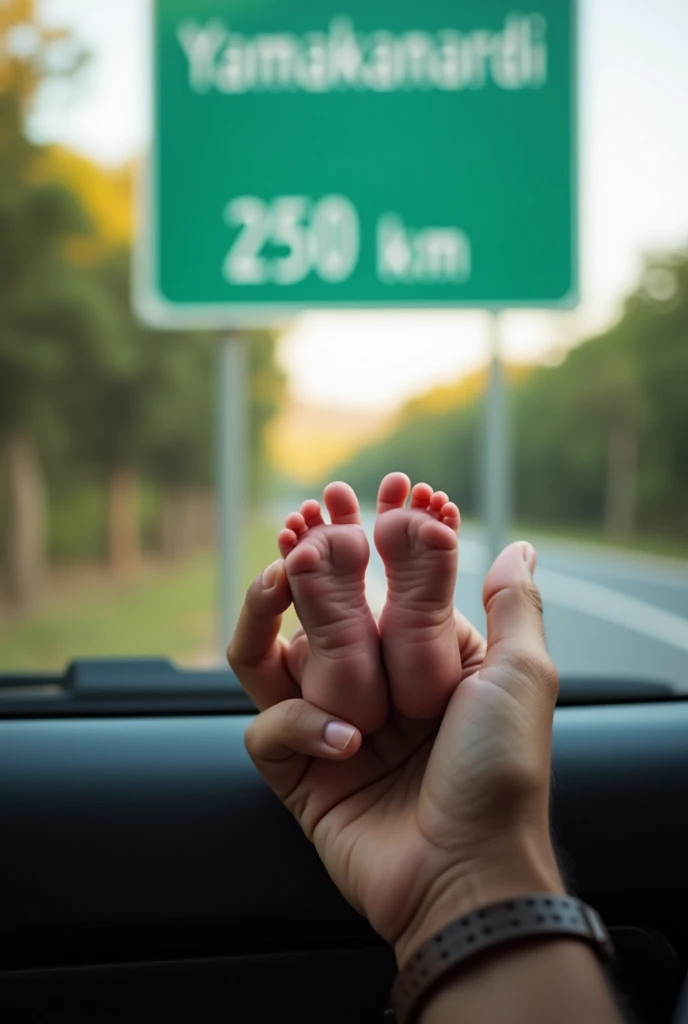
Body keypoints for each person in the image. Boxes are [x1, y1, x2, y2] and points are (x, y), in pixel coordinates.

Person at [228, 473, 626, 1023]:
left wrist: (451, 887)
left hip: (356, 758)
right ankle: (419, 640)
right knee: (374, 675)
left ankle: (342, 661)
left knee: (314, 672)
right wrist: (477, 863)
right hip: (441, 740)